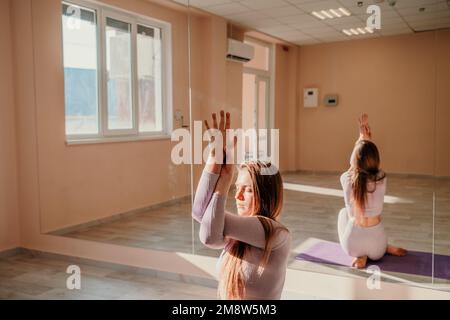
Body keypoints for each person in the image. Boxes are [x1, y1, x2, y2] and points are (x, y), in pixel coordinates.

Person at [192, 110, 291, 300]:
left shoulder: (275, 233)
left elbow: (209, 236)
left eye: (247, 189)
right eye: (236, 187)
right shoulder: (236, 236)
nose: (237, 195)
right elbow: (199, 213)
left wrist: (224, 180)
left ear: (266, 194)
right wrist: (214, 159)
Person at [338, 114, 407, 269]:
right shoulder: (381, 179)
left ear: (355, 161)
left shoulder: (346, 179)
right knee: (373, 230)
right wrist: (366, 139)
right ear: (376, 160)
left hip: (352, 246)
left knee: (343, 213)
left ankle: (361, 256)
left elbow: (352, 164)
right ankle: (384, 248)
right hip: (378, 248)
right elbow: (367, 162)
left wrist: (361, 139)